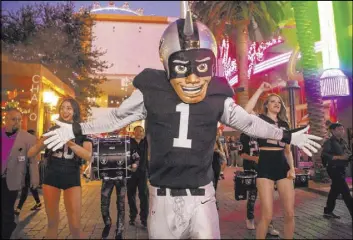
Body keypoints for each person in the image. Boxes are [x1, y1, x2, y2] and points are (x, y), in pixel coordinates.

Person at [42, 8, 322, 239]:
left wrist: (287, 136)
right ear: (166, 65)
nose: (191, 78)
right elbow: (116, 117)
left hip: (202, 199)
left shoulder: (217, 95)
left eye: (201, 67)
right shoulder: (151, 90)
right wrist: (75, 128)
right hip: (161, 199)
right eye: (181, 67)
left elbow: (249, 123)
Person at [27, 98, 92, 239]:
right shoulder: (52, 129)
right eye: (62, 108)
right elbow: (32, 152)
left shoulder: (81, 130)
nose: (65, 111)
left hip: (72, 176)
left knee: (75, 226)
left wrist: (69, 141)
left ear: (74, 111)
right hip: (52, 175)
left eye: (69, 108)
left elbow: (88, 155)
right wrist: (41, 142)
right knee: (52, 224)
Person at [243, 82, 297, 239]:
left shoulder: (285, 124)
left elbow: (288, 150)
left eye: (279, 102)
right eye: (273, 101)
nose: (277, 104)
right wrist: (260, 89)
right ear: (266, 105)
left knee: (289, 213)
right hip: (265, 166)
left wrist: (292, 168)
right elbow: (245, 112)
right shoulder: (260, 119)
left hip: (283, 166)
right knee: (266, 215)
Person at [1, 108, 39, 239]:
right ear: (6, 119)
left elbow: (33, 161)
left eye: (19, 120)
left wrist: (35, 178)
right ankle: (9, 225)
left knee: (7, 207)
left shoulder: (28, 138)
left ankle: (5, 232)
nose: (16, 122)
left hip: (13, 177)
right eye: (13, 119)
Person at [239, 132, 279, 236]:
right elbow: (241, 154)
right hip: (251, 169)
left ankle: (269, 225)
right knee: (252, 195)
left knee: (267, 197)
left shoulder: (264, 134)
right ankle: (250, 218)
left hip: (265, 168)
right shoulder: (244, 135)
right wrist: (255, 159)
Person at [100, 137, 140, 239]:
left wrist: (135, 164)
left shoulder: (127, 143)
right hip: (107, 177)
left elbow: (136, 156)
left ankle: (119, 230)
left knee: (121, 205)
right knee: (104, 203)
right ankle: (107, 223)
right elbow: (95, 155)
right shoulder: (104, 142)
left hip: (121, 178)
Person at [322, 122, 353, 218]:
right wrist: (340, 157)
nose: (342, 131)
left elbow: (348, 153)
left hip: (342, 168)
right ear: (333, 131)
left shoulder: (343, 141)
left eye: (342, 129)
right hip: (333, 169)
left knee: (334, 190)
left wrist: (348, 156)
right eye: (339, 129)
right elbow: (325, 155)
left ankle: (328, 211)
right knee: (346, 192)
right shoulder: (329, 142)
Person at [14, 129, 42, 215]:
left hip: (29, 170)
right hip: (28, 170)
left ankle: (18, 208)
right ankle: (38, 202)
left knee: (25, 188)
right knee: (32, 187)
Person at [127, 126, 149, 228]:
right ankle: (132, 216)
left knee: (144, 196)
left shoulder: (146, 143)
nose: (140, 133)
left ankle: (144, 219)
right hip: (131, 173)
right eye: (138, 131)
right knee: (131, 195)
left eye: (141, 131)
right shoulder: (129, 143)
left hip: (143, 173)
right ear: (134, 132)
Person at [212, 138, 226, 209]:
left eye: (215, 144)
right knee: (211, 185)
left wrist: (219, 151)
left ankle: (214, 200)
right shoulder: (208, 150)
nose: (214, 145)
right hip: (209, 169)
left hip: (216, 169)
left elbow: (224, 159)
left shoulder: (218, 151)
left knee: (215, 185)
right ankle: (213, 201)